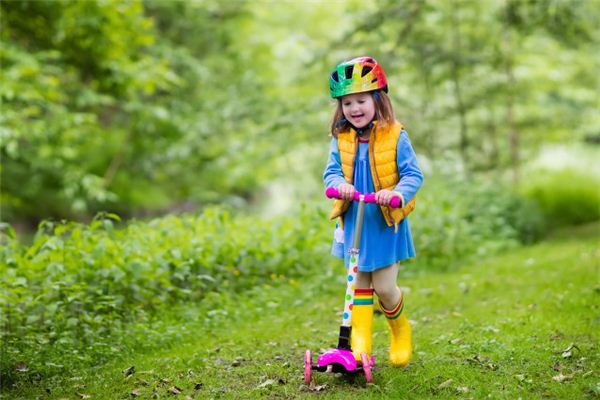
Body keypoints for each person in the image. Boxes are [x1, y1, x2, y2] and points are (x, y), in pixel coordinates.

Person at [323, 56, 424, 367]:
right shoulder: (341, 138)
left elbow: (413, 175)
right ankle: (360, 345)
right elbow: (332, 172)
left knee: (384, 286)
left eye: (361, 100)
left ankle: (400, 331)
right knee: (358, 284)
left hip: (383, 222)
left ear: (378, 99)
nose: (354, 109)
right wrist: (339, 185)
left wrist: (395, 194)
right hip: (354, 220)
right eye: (347, 103)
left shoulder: (396, 135)